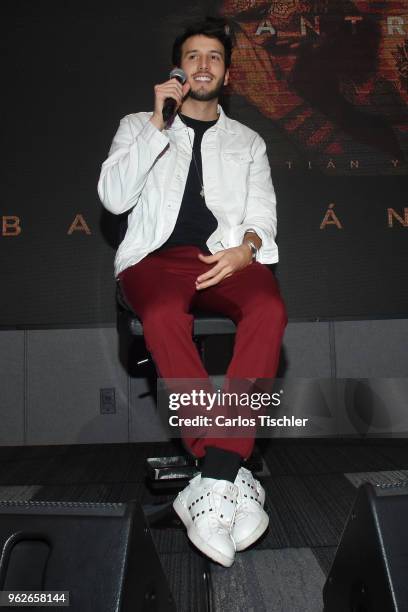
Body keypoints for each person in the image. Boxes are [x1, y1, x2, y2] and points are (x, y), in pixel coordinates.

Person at [98, 16, 287, 568]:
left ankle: (213, 478)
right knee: (160, 313)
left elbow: (263, 211)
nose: (204, 65)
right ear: (179, 70)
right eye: (193, 56)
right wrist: (158, 126)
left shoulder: (248, 140)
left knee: (269, 306)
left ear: (227, 74)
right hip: (154, 260)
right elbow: (112, 198)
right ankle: (227, 471)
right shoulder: (138, 124)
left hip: (224, 255)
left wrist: (246, 249)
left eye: (214, 57)